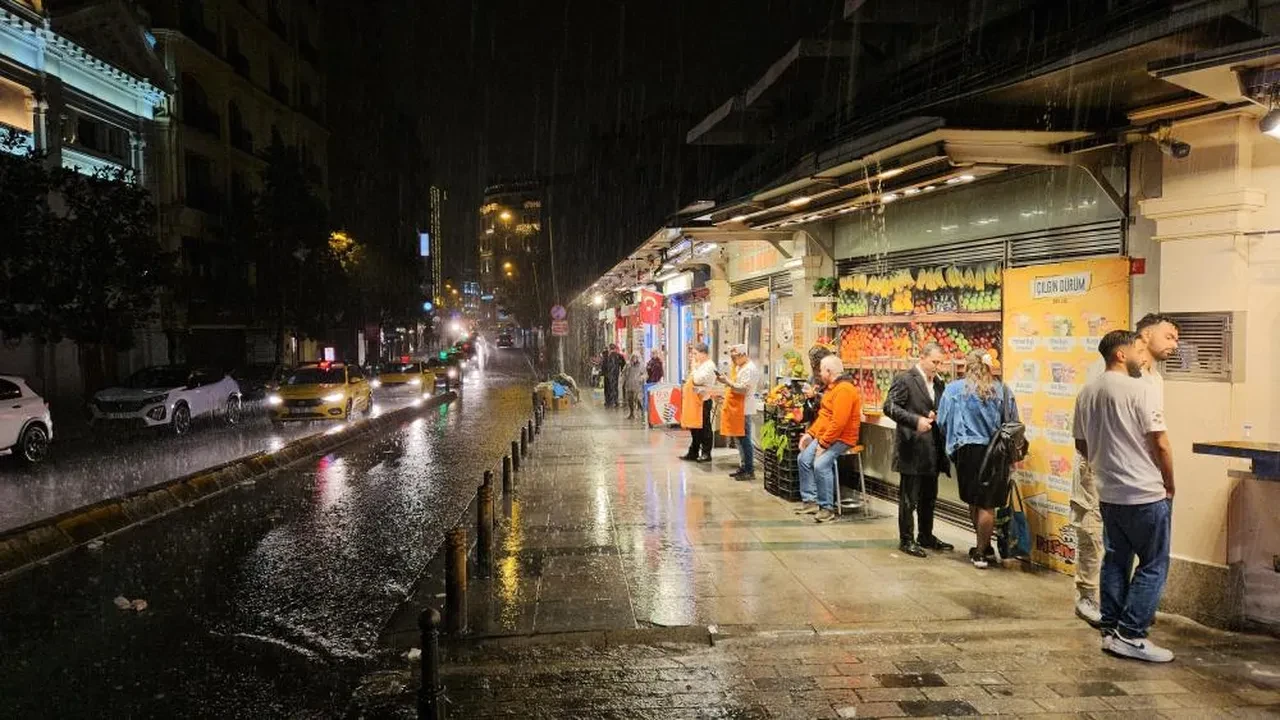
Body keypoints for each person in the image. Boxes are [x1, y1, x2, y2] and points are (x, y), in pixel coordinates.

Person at [1073, 330, 1176, 663]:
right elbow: (1160, 442)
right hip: (1144, 492)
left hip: (1110, 493)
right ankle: (1131, 634)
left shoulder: (1086, 393)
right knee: (1153, 565)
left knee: (1116, 561)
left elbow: (1082, 446)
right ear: (1121, 354)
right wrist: (1169, 483)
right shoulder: (1141, 389)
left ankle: (1111, 630)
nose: (1140, 356)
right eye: (1136, 349)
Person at [937, 350, 1018, 569]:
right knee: (987, 503)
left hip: (967, 451)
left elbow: (942, 422)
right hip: (995, 453)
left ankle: (981, 552)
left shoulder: (954, 390)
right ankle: (984, 548)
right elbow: (1012, 424)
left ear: (966, 366)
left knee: (974, 500)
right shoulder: (1002, 390)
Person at [884, 343, 954, 558]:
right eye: (934, 362)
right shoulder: (905, 379)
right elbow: (889, 407)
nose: (938, 366)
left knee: (929, 496)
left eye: (940, 362)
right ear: (922, 358)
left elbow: (937, 407)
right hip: (912, 448)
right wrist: (915, 421)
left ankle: (926, 535)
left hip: (933, 449)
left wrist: (936, 415)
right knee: (909, 498)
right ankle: (906, 539)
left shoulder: (939, 383)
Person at [796, 355, 862, 523]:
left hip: (844, 439)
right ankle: (810, 501)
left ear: (829, 371)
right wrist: (810, 434)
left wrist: (823, 444)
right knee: (803, 458)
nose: (819, 373)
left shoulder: (845, 390)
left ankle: (827, 508)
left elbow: (838, 423)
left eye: (821, 370)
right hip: (828, 436)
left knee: (821, 464)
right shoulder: (832, 389)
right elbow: (825, 417)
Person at [718, 344, 761, 480]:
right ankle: (743, 467)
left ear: (743, 355)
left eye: (734, 357)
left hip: (743, 409)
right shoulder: (739, 367)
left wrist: (728, 382)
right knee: (738, 440)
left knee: (745, 440)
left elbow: (743, 389)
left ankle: (749, 470)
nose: (733, 360)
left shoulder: (750, 369)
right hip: (735, 408)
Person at [679, 343, 718, 462]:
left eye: (695, 354)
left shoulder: (709, 366)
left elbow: (697, 380)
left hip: (703, 401)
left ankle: (706, 453)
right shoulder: (700, 365)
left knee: (704, 428)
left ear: (703, 353)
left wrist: (694, 368)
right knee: (694, 428)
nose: (694, 356)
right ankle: (693, 451)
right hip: (694, 402)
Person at [622, 352, 646, 420]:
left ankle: (642, 413)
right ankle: (631, 413)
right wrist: (623, 380)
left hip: (637, 386)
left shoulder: (641, 366)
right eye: (633, 357)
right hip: (629, 385)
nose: (634, 359)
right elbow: (623, 373)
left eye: (635, 357)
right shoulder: (628, 365)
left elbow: (645, 374)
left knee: (638, 399)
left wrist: (641, 378)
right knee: (630, 400)